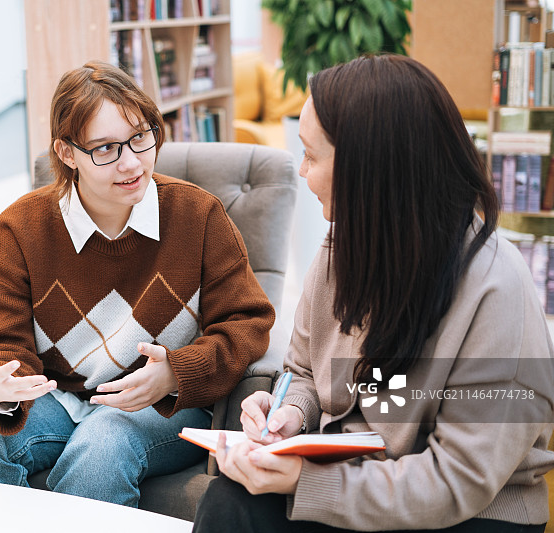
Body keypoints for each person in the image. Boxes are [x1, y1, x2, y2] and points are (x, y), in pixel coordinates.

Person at [192, 54, 554, 532]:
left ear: (369, 170)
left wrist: (305, 482)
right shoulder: (341, 250)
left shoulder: (496, 287)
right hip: (360, 481)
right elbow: (302, 370)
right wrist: (289, 413)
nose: (302, 172)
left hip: (468, 511)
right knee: (231, 500)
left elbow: (458, 480)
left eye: (311, 155)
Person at [0, 60, 276, 507]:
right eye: (105, 149)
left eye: (140, 137)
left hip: (161, 407)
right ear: (65, 153)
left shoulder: (198, 216)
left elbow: (247, 322)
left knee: (103, 442)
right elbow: (3, 346)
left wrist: (176, 373)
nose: (132, 162)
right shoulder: (20, 229)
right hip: (57, 400)